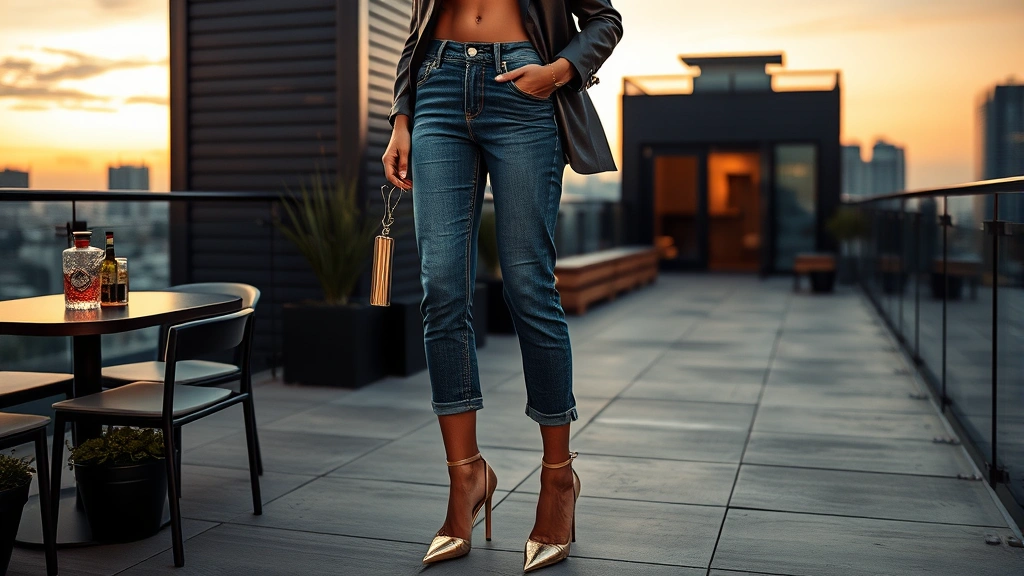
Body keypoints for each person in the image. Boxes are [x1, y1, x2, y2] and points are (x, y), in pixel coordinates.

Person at [382, 0, 621, 571]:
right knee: (441, 290)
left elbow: (604, 19)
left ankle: (559, 480)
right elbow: (417, 23)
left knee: (529, 289)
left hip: (525, 88)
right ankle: (466, 477)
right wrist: (401, 116)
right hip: (436, 86)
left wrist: (559, 71)